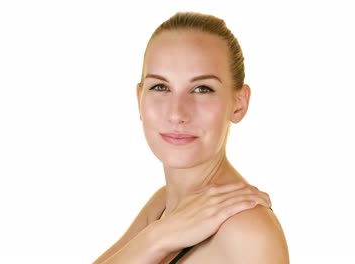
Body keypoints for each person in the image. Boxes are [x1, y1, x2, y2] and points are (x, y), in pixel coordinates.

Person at [93, 11, 289, 263]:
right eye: (160, 87)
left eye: (202, 88)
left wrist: (158, 238)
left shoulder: (247, 232)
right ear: (139, 100)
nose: (176, 113)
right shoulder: (162, 205)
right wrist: (159, 237)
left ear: (238, 104)